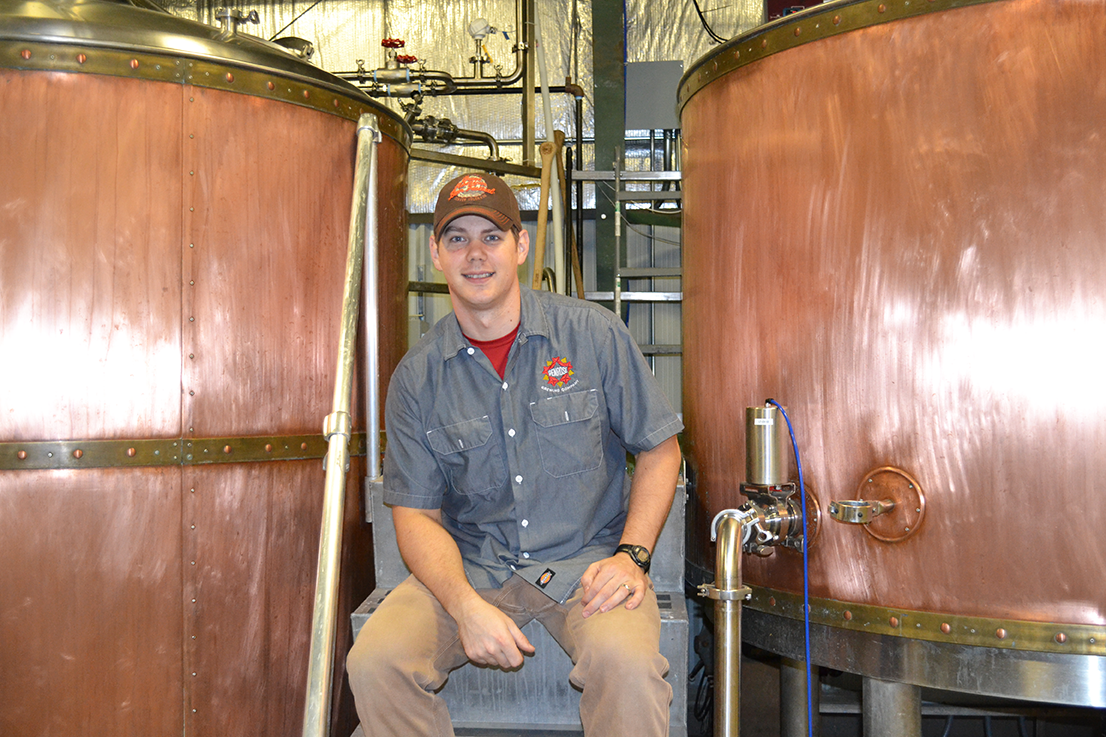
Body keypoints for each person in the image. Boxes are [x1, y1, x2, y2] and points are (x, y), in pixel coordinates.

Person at [347, 172, 683, 737]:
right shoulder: (417, 378)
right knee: (376, 663)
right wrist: (462, 605)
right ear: (435, 253)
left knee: (628, 666)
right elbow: (414, 515)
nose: (475, 255)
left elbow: (660, 450)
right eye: (457, 239)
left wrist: (633, 557)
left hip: (587, 566)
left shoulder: (593, 336)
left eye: (492, 237)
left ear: (520, 247)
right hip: (471, 566)